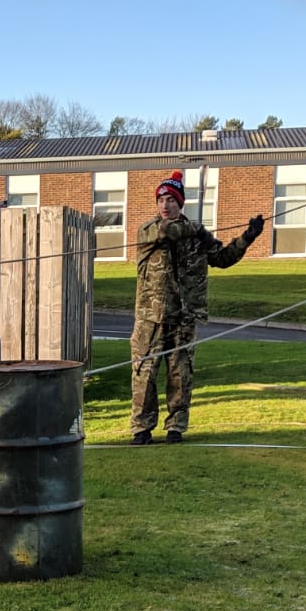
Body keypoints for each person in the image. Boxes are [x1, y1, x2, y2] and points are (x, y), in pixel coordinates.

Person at [129, 171, 264, 444]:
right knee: (144, 373)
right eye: (161, 200)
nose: (165, 205)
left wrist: (247, 237)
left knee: (181, 374)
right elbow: (168, 231)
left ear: (180, 203)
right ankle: (142, 428)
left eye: (171, 200)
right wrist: (199, 230)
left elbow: (223, 258)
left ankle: (176, 427)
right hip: (151, 318)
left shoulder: (197, 236)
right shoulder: (148, 230)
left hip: (184, 317)